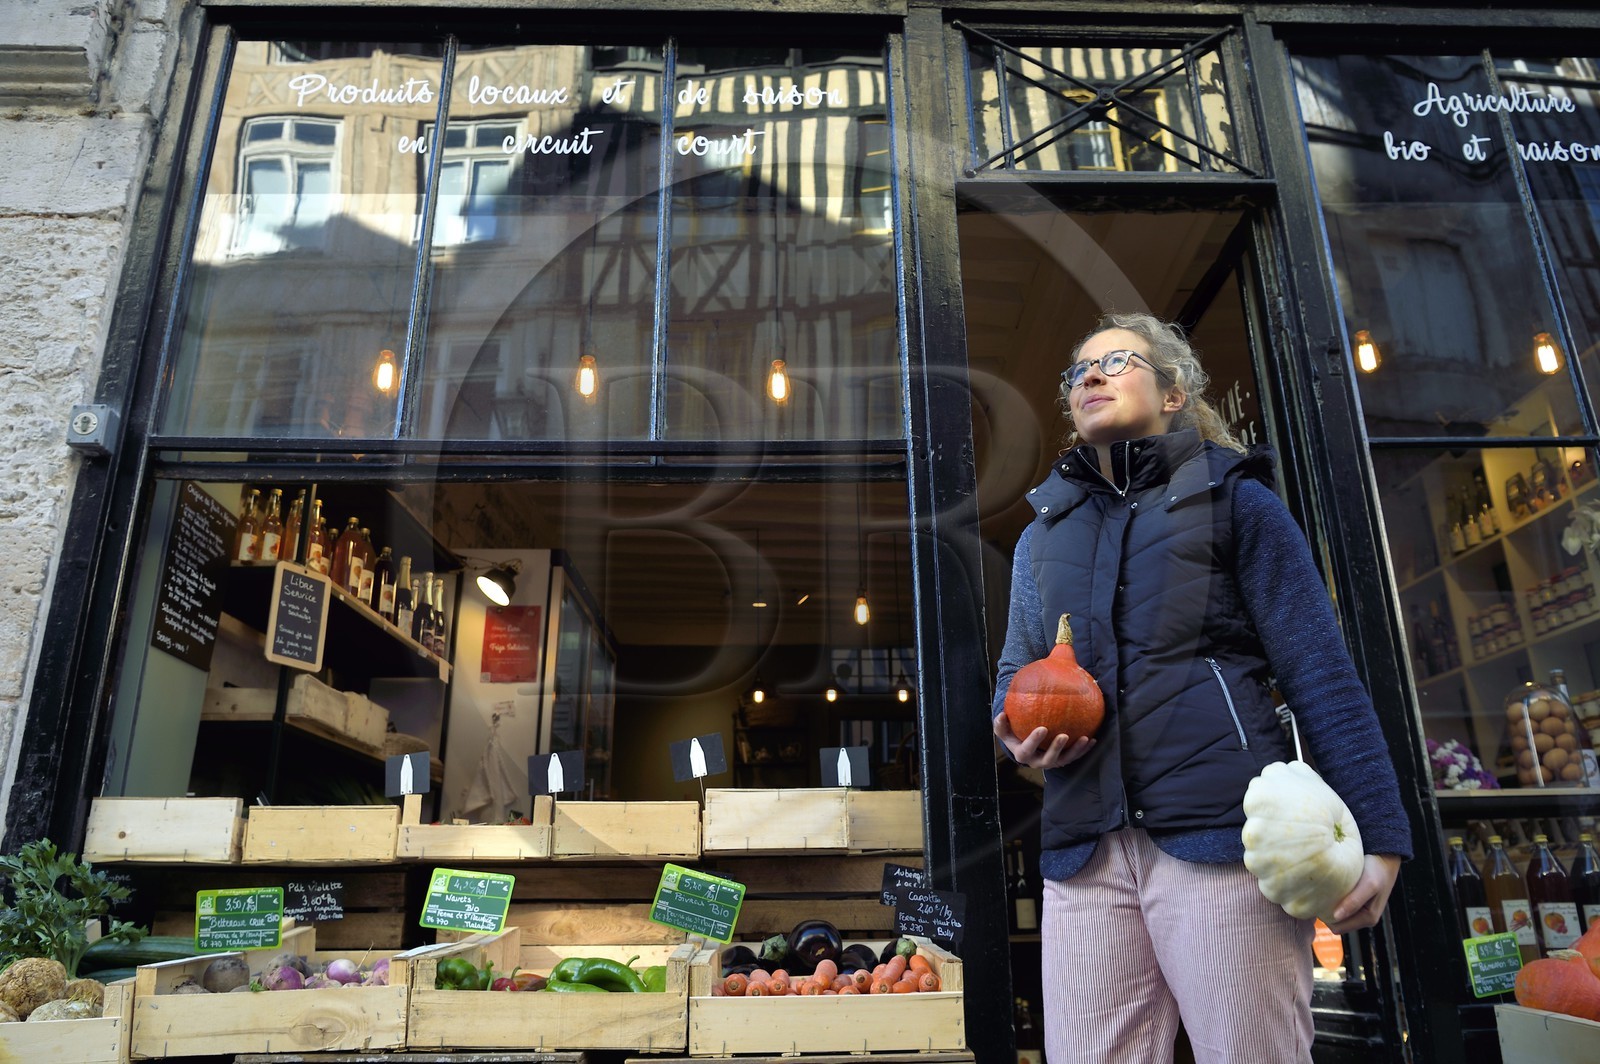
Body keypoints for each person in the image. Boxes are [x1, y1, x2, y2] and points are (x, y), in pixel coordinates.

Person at [991, 312, 1412, 1064]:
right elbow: (1016, 671)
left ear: (1175, 391)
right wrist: (1015, 730)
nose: (1088, 377)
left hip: (1222, 839)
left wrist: (1379, 837)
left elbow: (1321, 673)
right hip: (1084, 852)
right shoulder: (1041, 535)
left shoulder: (1237, 501)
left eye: (1115, 362)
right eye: (1077, 372)